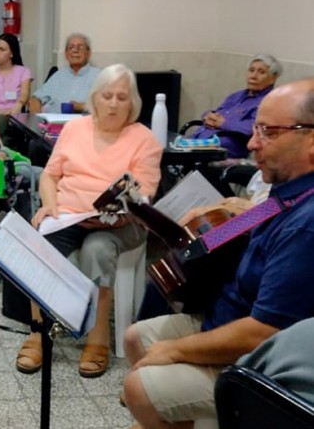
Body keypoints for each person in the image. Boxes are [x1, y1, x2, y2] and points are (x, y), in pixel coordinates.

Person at [122, 78, 314, 429]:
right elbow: (244, 224)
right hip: (225, 315)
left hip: (255, 358)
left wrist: (178, 350)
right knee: (136, 337)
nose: (253, 143)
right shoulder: (289, 190)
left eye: (269, 132)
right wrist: (203, 219)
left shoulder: (307, 225)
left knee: (138, 386)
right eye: (256, 129)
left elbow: (264, 331)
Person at [20, 64, 163, 378]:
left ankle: (97, 339)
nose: (113, 103)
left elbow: (144, 196)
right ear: (95, 99)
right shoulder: (75, 129)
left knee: (96, 249)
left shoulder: (144, 139)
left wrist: (122, 205)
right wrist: (50, 205)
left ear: (132, 103)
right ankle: (38, 332)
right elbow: (49, 175)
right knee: (39, 240)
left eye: (121, 97)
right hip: (70, 215)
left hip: (123, 223)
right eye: (107, 95)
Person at [191, 53, 282, 158]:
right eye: (251, 70)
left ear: (273, 78)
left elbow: (252, 128)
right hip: (201, 141)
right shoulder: (237, 96)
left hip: (223, 150)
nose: (253, 76)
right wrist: (208, 116)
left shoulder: (269, 102)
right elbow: (218, 112)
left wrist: (223, 123)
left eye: (261, 72)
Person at [28, 33, 101, 114]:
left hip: (83, 124)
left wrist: (83, 107)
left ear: (88, 53)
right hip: (53, 123)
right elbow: (38, 96)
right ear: (66, 54)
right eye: (71, 47)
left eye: (80, 47)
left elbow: (105, 105)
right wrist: (35, 100)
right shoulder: (58, 75)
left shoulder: (99, 76)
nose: (75, 51)